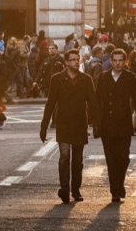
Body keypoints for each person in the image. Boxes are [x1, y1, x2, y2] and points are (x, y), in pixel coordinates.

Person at [40, 48, 99, 203]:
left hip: (80, 123)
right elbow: (51, 102)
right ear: (66, 62)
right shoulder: (57, 79)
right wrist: (44, 125)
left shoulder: (86, 79)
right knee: (64, 156)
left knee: (78, 160)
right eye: (72, 59)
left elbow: (93, 102)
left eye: (76, 59)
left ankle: (76, 190)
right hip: (64, 123)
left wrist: (97, 123)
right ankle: (64, 188)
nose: (75, 61)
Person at [95, 48, 136, 203]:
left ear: (125, 61)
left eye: (120, 60)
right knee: (111, 159)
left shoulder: (130, 77)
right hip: (107, 124)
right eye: (114, 60)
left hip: (123, 123)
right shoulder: (103, 77)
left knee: (123, 158)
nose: (117, 63)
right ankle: (115, 190)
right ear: (111, 61)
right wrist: (95, 122)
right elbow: (97, 100)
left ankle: (120, 183)